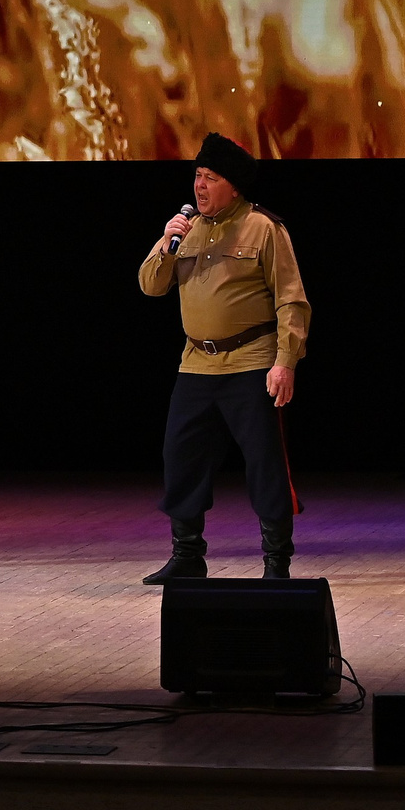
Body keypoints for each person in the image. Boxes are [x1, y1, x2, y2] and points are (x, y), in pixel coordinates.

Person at [137, 133, 309, 583]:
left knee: (266, 465)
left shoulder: (264, 227)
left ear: (233, 186)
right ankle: (188, 556)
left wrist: (285, 361)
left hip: (251, 362)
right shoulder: (186, 228)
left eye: (210, 178)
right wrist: (166, 240)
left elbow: (292, 301)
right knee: (181, 458)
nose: (200, 186)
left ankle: (276, 564)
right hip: (195, 364)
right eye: (197, 176)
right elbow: (151, 286)